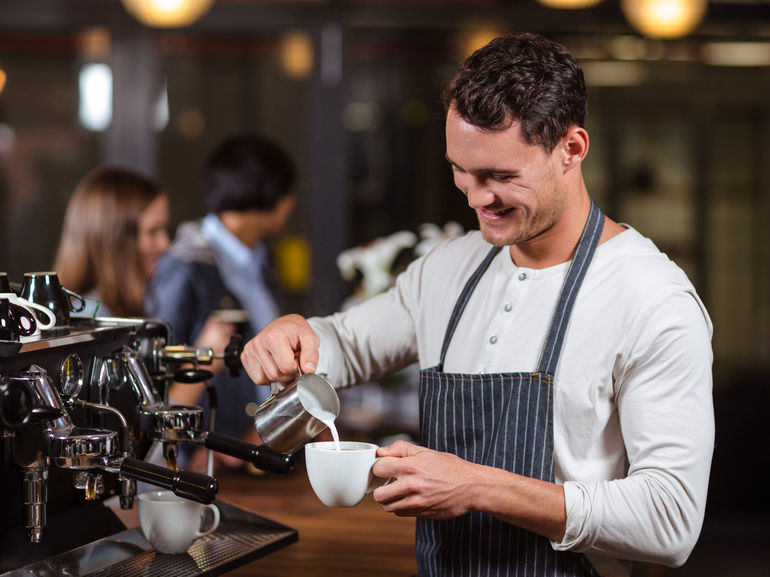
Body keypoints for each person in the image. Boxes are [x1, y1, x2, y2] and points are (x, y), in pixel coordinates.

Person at [240, 33, 714, 577]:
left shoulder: (652, 299)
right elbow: (345, 345)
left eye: (501, 176)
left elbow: (671, 519)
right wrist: (295, 333)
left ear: (572, 149)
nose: (474, 197)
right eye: (460, 170)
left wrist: (480, 486)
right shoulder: (450, 267)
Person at [146, 133, 297, 466]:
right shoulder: (186, 264)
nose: (292, 203)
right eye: (288, 192)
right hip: (209, 463)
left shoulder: (261, 259)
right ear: (267, 193)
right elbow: (156, 379)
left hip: (262, 454)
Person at [55, 165, 170, 317]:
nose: (165, 244)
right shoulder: (90, 317)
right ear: (116, 241)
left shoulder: (136, 302)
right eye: (153, 231)